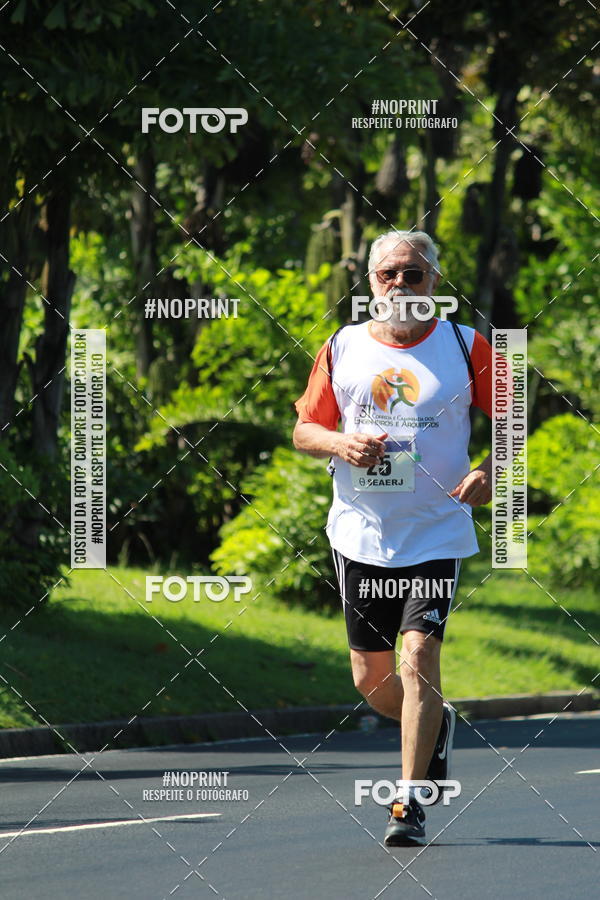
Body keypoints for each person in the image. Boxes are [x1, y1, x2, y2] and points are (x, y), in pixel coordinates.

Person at [292, 230, 493, 846]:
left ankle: (408, 806)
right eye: (388, 275)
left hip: (434, 534)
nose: (400, 285)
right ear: (371, 282)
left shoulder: (469, 346)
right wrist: (340, 443)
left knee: (419, 657)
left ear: (435, 278)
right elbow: (305, 429)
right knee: (372, 682)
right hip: (359, 535)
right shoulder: (342, 346)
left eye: (413, 273)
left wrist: (492, 472)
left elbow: (513, 427)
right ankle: (436, 725)